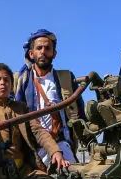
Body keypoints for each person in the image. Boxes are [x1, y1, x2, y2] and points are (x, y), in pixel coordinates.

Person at [0, 62, 69, 177]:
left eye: (6, 80)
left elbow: (38, 131)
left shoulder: (21, 108)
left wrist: (55, 152)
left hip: (22, 170)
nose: (3, 83)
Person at [13, 29, 83, 166]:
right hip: (32, 147)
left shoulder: (66, 78)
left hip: (61, 143)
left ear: (54, 53)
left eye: (47, 48)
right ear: (31, 53)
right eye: (39, 48)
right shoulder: (19, 80)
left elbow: (80, 113)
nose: (43, 52)